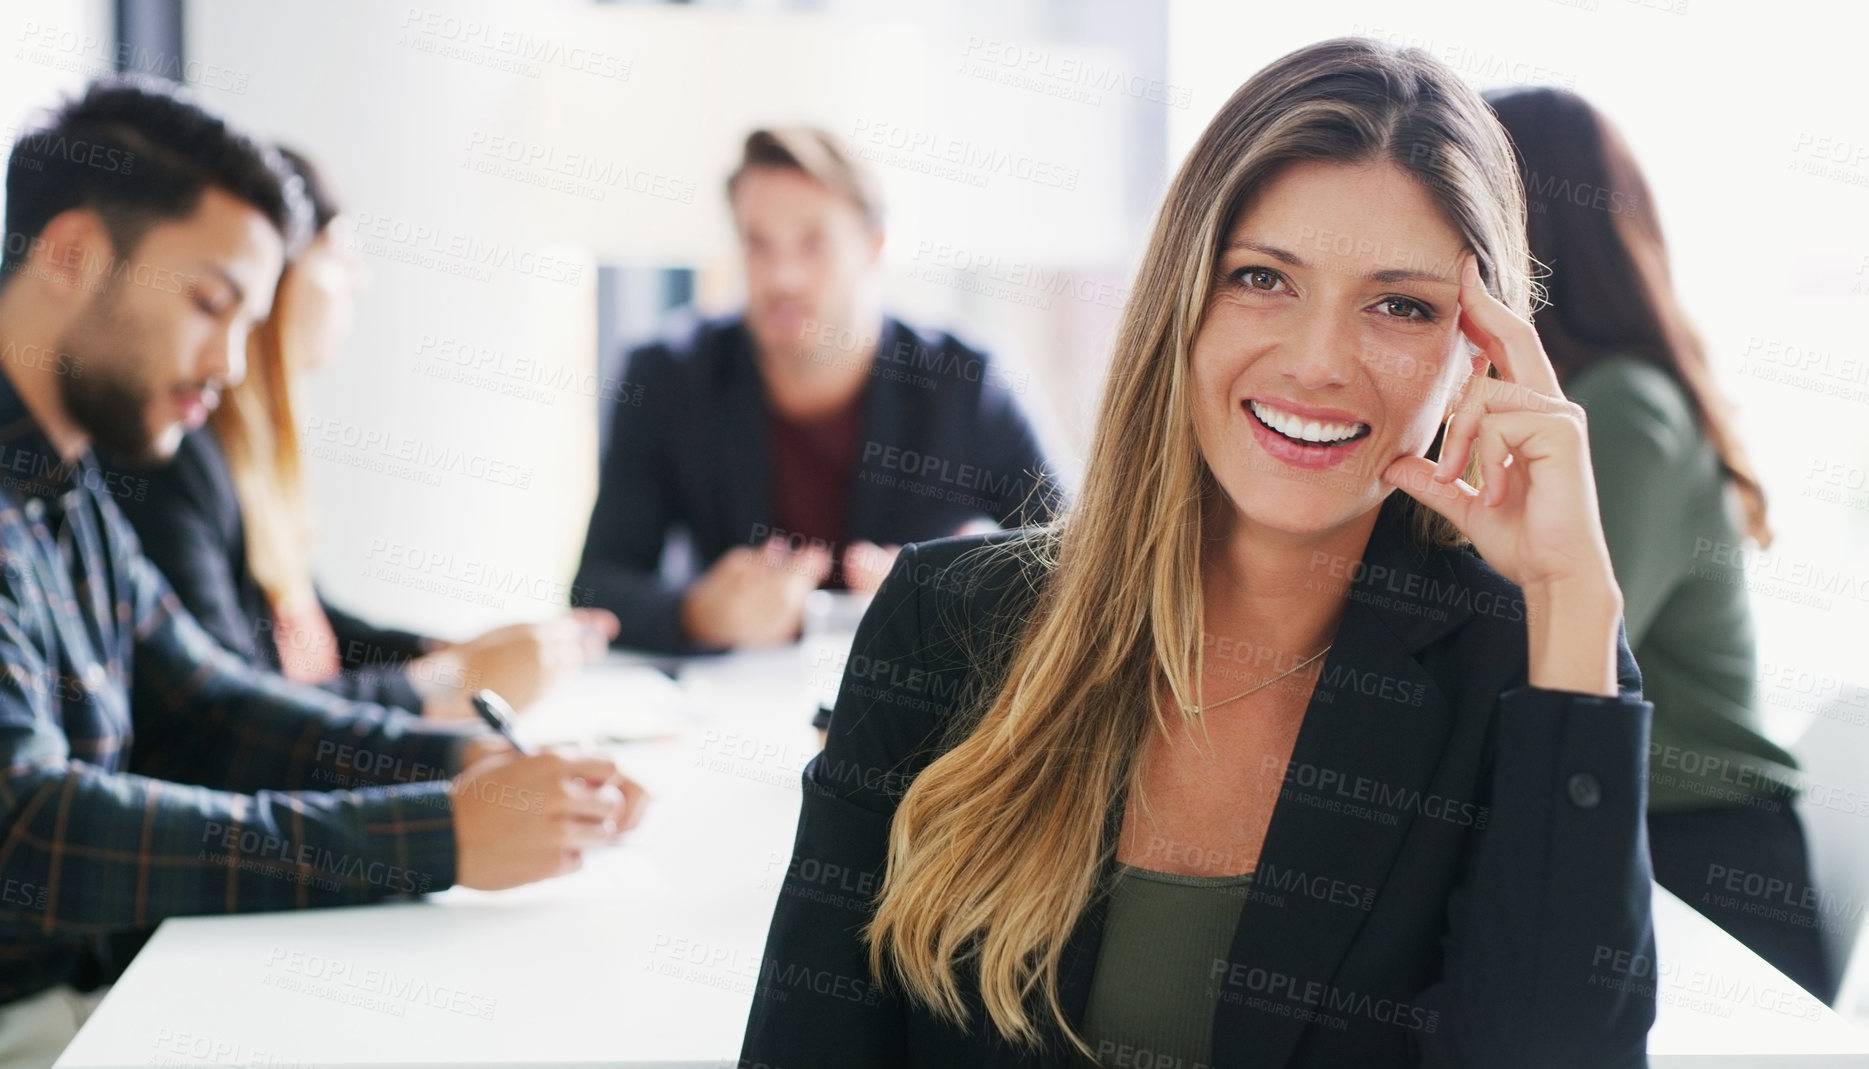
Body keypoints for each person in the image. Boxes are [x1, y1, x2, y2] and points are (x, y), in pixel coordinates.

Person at [741, 38, 1656, 1068]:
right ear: (1181, 298)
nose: (1317, 362)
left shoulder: (1529, 669)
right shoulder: (945, 621)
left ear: (1480, 352)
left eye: (1402, 305)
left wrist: (1575, 595)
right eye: (1263, 278)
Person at [0, 78, 646, 1067]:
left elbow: (214, 704)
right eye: (211, 303)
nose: (227, 363)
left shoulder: (65, 482)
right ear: (75, 255)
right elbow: (29, 832)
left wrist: (460, 764)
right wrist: (434, 833)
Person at [1485, 86, 1830, 1001]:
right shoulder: (1586, 400)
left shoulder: (1621, 409)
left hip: (1701, 865)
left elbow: (1551, 655)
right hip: (1632, 831)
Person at [97, 147, 617, 720]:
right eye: (343, 257)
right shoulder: (175, 455)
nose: (360, 284)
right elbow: (235, 719)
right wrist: (450, 681)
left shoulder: (246, 456)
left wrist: (458, 655)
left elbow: (314, 632)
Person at [573, 128, 1061, 654]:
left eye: (814, 243)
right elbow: (598, 586)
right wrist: (698, 613)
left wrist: (957, 595)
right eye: (757, 244)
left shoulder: (967, 382)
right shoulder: (668, 376)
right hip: (732, 705)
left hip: (923, 706)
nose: (782, 276)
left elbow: (1086, 565)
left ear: (873, 247)